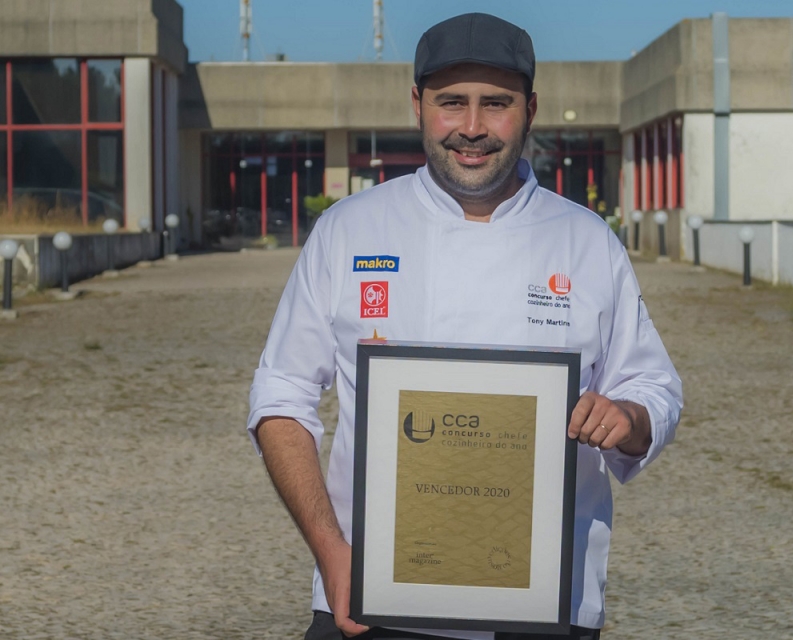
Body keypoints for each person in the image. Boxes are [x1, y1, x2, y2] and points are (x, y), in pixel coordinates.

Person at [247, 12, 682, 640]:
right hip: (372, 597)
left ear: (531, 110)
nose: (472, 127)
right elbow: (281, 395)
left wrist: (629, 418)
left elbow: (652, 387)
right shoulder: (350, 231)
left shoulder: (586, 241)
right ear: (418, 105)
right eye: (451, 102)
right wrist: (331, 551)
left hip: (543, 604)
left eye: (496, 104)